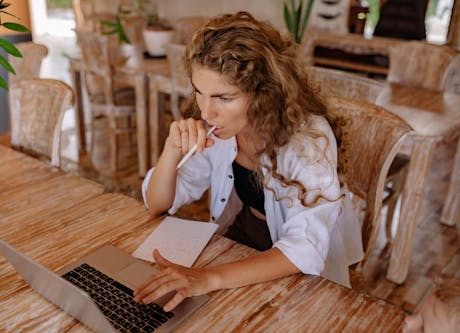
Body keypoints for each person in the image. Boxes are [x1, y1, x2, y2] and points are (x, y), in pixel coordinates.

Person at [135, 11, 363, 312]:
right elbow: (158, 204)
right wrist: (171, 151)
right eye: (199, 93)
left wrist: (207, 279)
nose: (206, 112)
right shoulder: (217, 130)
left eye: (224, 98)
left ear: (263, 94)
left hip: (297, 264)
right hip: (245, 236)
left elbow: (304, 249)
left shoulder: (308, 139)